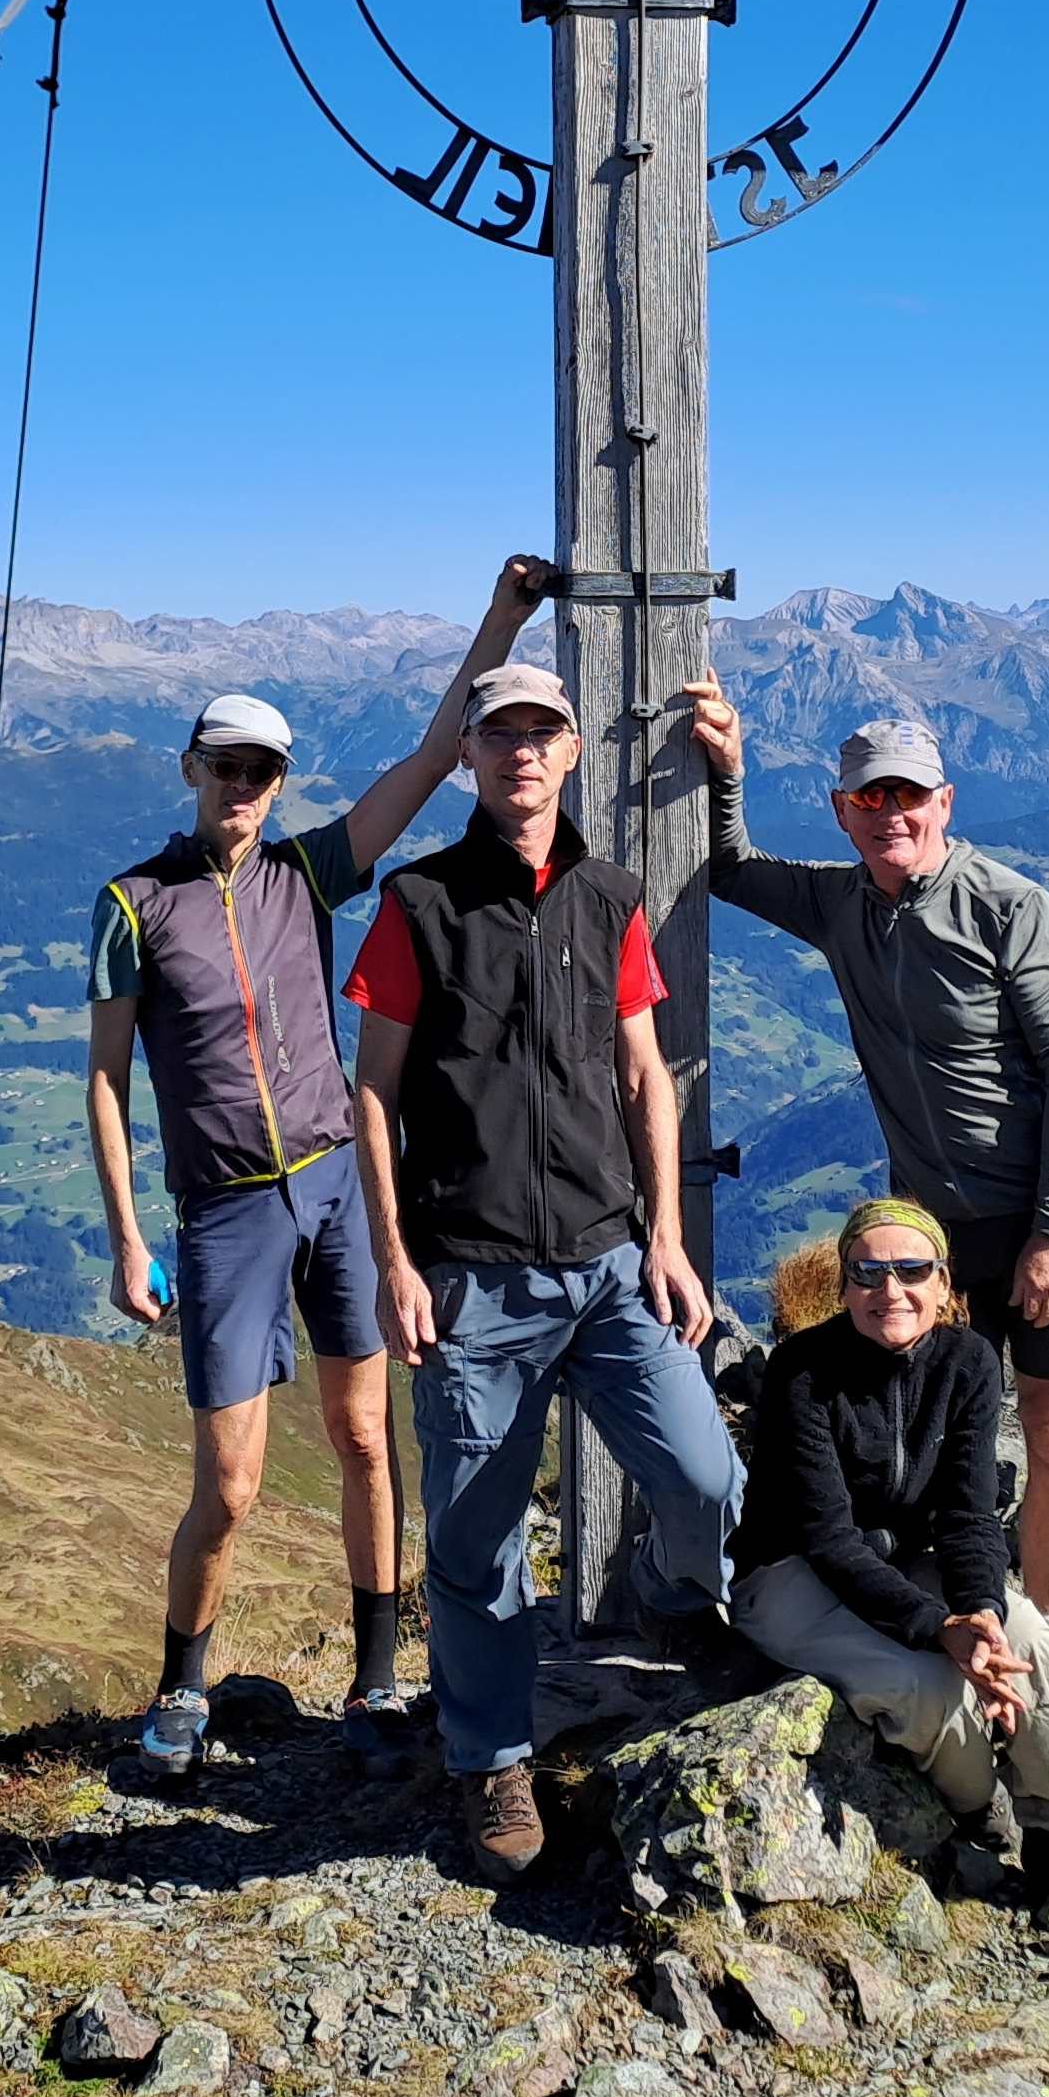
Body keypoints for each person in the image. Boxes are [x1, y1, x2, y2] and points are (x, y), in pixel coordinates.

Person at [92, 555, 549, 1780]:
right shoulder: (132, 903)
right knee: (230, 1484)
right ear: (190, 771)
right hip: (228, 1208)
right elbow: (103, 1077)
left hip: (338, 1182)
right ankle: (182, 1685)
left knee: (363, 1439)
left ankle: (378, 1676)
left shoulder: (310, 873)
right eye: (223, 766)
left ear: (279, 783)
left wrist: (503, 620)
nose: (241, 786)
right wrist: (129, 1237)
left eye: (261, 771)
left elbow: (430, 754)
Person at [345, 660, 744, 1884]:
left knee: (705, 1475)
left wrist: (668, 1241)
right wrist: (395, 1265)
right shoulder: (418, 904)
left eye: (544, 733)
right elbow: (372, 1094)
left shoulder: (610, 897)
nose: (523, 752)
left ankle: (676, 1598)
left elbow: (644, 1079)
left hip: (613, 1263)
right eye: (501, 734)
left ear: (574, 753)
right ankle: (495, 1760)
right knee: (474, 1545)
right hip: (472, 1280)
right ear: (468, 755)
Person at [679, 680, 1049, 1623]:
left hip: (1037, 1214)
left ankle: (1045, 1631)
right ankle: (949, 1614)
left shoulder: (1010, 909)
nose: (893, 814)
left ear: (945, 803)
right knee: (926, 1423)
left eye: (910, 795)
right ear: (843, 811)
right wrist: (727, 773)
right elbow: (729, 867)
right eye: (871, 798)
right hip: (930, 1234)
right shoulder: (840, 904)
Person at [735, 1201, 1049, 1923]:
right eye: (867, 1273)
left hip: (910, 1559)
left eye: (912, 1271)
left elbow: (967, 1514)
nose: (889, 1291)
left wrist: (983, 1617)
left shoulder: (967, 1362)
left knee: (1030, 1637)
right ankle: (972, 1810)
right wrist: (939, 1628)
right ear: (842, 1287)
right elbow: (828, 1539)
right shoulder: (802, 1374)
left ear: (944, 1285)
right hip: (787, 1575)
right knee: (924, 1686)